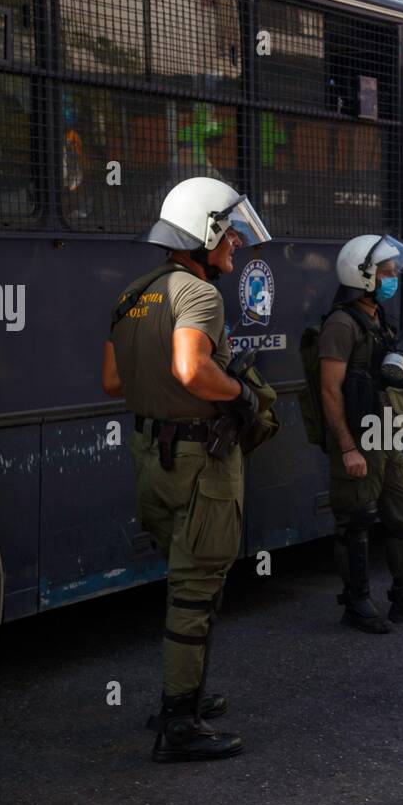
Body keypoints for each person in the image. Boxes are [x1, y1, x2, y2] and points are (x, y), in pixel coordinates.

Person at [101, 177, 274, 763]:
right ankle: (178, 724)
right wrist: (239, 397)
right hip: (201, 461)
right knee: (197, 589)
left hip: (152, 458)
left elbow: (113, 381)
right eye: (228, 236)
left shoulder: (134, 294)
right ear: (204, 233)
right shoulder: (199, 296)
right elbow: (191, 371)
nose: (235, 248)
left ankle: (187, 694)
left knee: (184, 586)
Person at [318, 233, 403, 635]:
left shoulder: (378, 318)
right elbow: (329, 389)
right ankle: (356, 603)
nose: (393, 279)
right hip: (358, 439)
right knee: (355, 520)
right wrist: (347, 447)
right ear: (364, 275)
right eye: (386, 272)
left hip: (386, 437)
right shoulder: (341, 324)